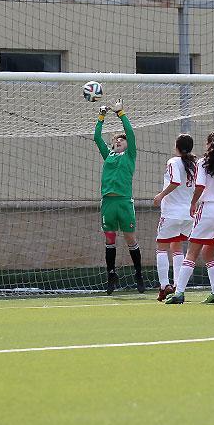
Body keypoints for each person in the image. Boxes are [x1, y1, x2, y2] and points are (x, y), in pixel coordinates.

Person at [165, 131, 214, 304]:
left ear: (210, 144)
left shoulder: (203, 163)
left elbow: (200, 186)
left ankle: (179, 293)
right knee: (209, 253)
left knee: (192, 252)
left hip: (209, 209)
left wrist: (193, 203)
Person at [94, 99, 144, 295]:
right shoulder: (108, 156)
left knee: (130, 239)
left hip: (124, 202)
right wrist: (101, 116)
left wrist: (120, 113)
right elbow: (97, 137)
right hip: (108, 202)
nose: (118, 141)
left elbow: (130, 133)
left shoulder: (129, 155)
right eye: (116, 140)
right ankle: (111, 275)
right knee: (110, 239)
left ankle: (138, 274)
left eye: (121, 140)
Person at [153, 134, 196, 302]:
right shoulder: (194, 164)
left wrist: (161, 195)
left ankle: (164, 286)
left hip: (172, 212)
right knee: (177, 247)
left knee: (161, 248)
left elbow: (175, 181)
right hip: (187, 214)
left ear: (177, 146)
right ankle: (178, 285)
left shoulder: (173, 162)